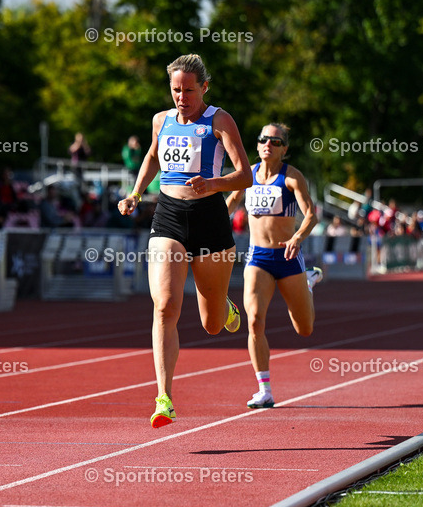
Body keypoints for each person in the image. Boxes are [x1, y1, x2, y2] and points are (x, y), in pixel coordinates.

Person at [117, 53, 251, 427]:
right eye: (176, 90)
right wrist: (135, 193)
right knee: (165, 306)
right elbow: (153, 157)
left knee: (211, 324)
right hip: (169, 219)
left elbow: (245, 176)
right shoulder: (161, 120)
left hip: (210, 220)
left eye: (189, 90)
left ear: (204, 87)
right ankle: (164, 398)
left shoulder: (219, 120)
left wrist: (214, 184)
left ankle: (222, 305)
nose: (181, 97)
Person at [225, 123, 322, 409]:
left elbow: (311, 216)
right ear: (257, 146)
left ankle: (308, 283)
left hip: (289, 258)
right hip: (258, 258)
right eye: (263, 139)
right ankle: (264, 389)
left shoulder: (292, 178)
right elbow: (229, 204)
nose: (268, 144)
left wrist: (297, 237)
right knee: (254, 321)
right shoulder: (248, 176)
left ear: (284, 149)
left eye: (276, 141)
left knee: (304, 329)